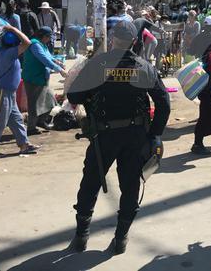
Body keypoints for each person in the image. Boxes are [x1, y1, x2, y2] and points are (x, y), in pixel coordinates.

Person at [66, 21, 170, 254]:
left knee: (90, 183)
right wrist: (154, 135)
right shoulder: (144, 67)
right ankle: (121, 239)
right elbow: (164, 103)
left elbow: (74, 95)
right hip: (135, 136)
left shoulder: (98, 64)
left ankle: (81, 236)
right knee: (131, 186)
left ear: (112, 39)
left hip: (104, 136)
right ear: (134, 42)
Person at [0, 26, 39, 159]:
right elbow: (27, 42)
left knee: (16, 119)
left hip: (8, 91)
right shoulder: (9, 53)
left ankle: (24, 145)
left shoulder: (5, 52)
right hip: (2, 91)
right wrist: (13, 29)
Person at [22, 27, 68, 136]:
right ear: (43, 36)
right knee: (34, 105)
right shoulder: (34, 45)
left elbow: (49, 56)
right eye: (49, 37)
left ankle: (41, 121)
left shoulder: (43, 44)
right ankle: (31, 128)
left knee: (51, 101)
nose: (49, 40)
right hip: (33, 78)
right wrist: (60, 70)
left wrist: (57, 62)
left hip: (42, 78)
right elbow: (44, 59)